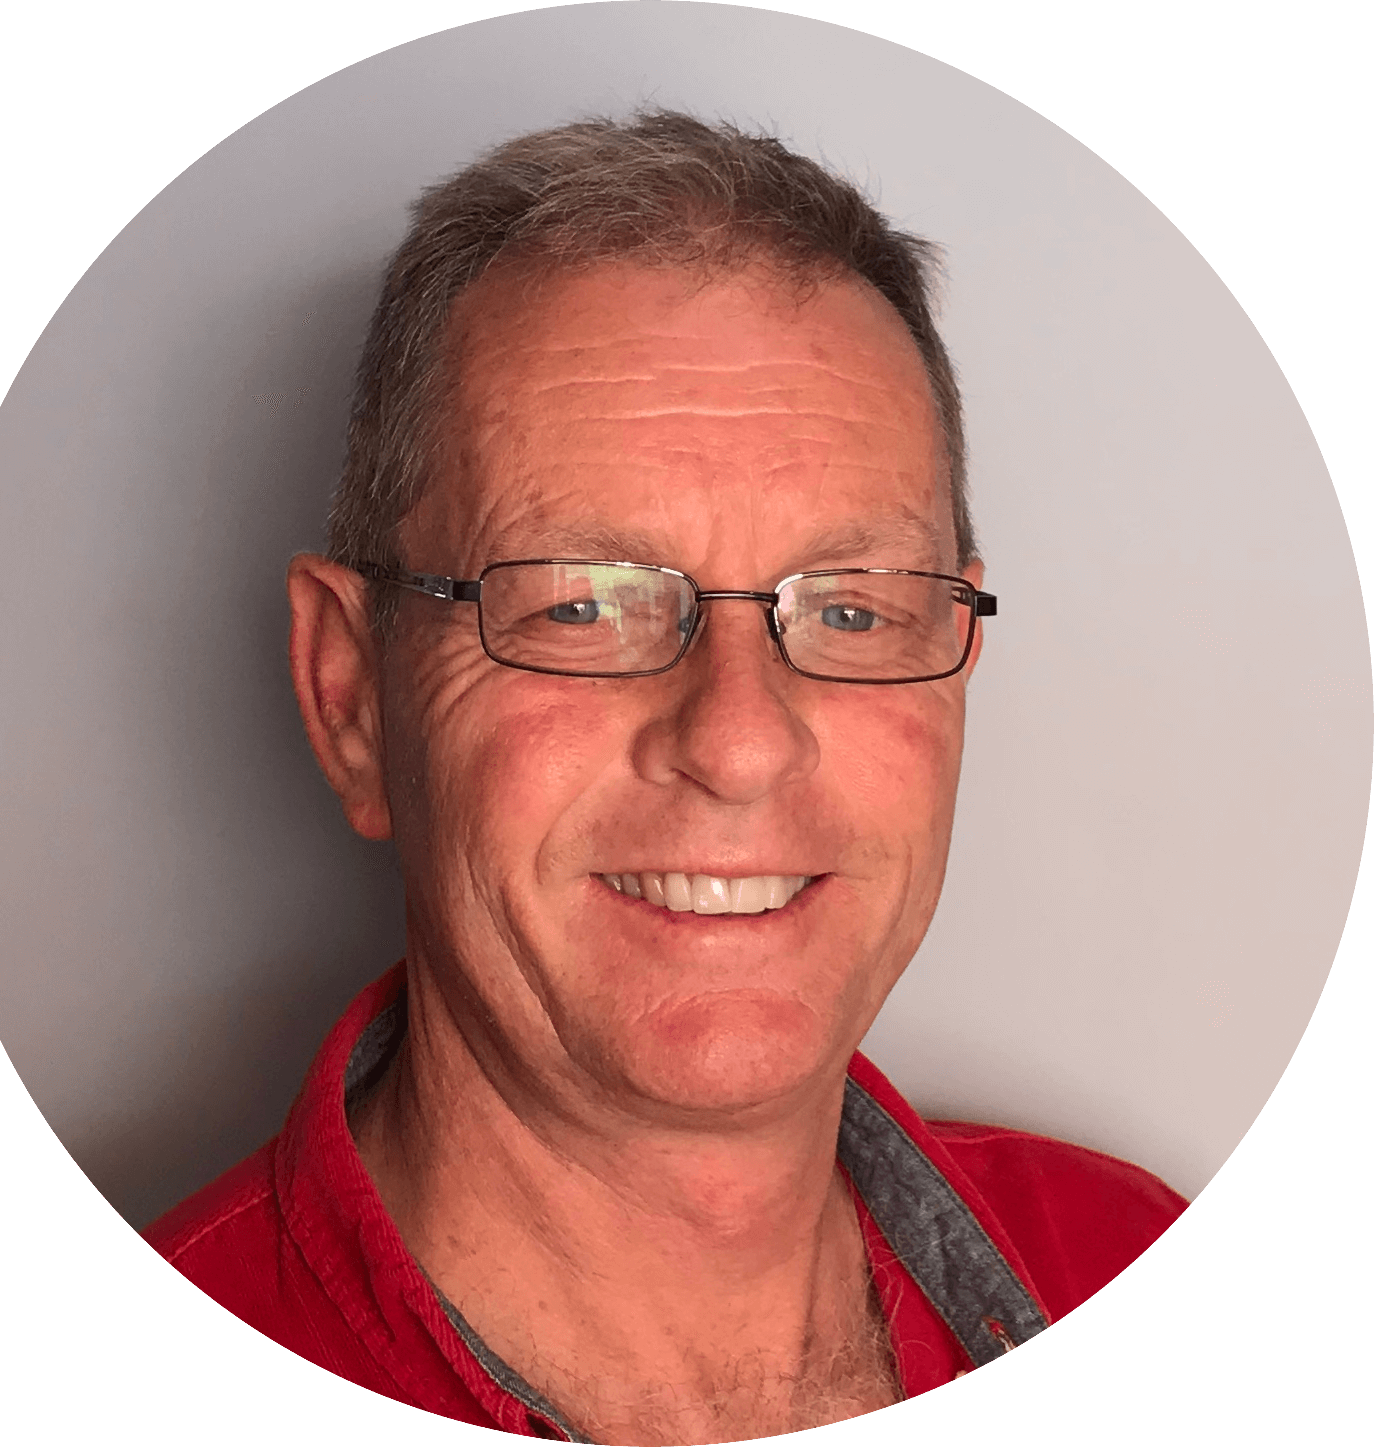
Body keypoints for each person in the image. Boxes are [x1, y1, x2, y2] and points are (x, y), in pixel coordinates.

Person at [145, 111, 1185, 1441]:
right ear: (351, 697)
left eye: (852, 609)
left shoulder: (1119, 1246)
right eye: (581, 605)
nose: (740, 743)